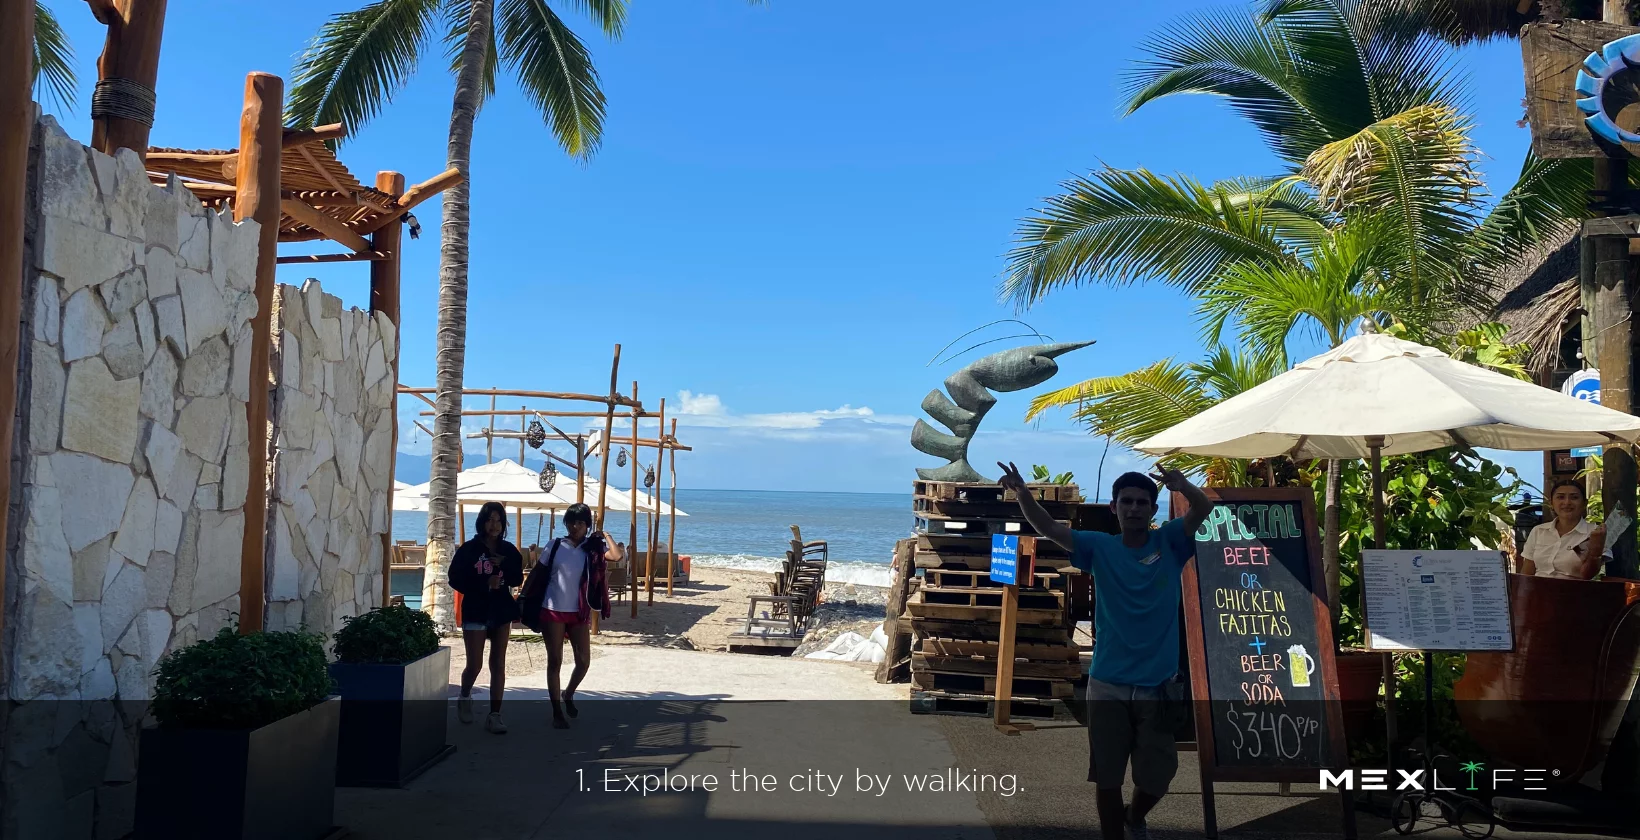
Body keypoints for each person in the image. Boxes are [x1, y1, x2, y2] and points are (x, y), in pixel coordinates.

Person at [1000, 461, 1211, 840]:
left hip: (1159, 685)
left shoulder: (1171, 542)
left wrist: (1184, 486)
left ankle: (1136, 815)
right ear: (1114, 507)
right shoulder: (1098, 547)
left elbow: (1203, 509)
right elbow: (1048, 528)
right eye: (1126, 501)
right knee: (1108, 777)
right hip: (1108, 682)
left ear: (1153, 509)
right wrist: (1021, 493)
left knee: (1159, 774)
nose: (1134, 508)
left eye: (1142, 502)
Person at [520, 503, 621, 729]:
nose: (575, 527)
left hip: (579, 611)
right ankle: (556, 711)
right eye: (572, 522)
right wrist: (524, 599)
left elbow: (616, 555)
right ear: (566, 523)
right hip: (552, 608)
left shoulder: (592, 548)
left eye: (581, 523)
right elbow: (537, 573)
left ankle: (569, 694)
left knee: (583, 661)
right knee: (554, 660)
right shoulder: (555, 545)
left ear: (587, 525)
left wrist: (604, 534)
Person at [448, 501, 525, 734]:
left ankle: (495, 715)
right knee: (475, 664)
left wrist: (503, 570)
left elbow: (516, 578)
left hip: (501, 610)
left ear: (504, 524)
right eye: (490, 519)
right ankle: (464, 695)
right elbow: (455, 579)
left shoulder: (509, 550)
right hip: (475, 609)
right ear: (482, 521)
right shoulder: (469, 550)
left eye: (499, 520)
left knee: (498, 663)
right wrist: (483, 583)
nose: (494, 525)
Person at [1519, 479, 1607, 580]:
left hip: (1573, 593)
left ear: (1584, 503)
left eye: (1574, 497)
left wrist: (1595, 552)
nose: (1567, 502)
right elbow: (1526, 574)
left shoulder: (1596, 533)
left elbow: (1587, 575)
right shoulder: (1538, 531)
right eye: (1560, 497)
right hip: (1537, 592)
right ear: (1551, 503)